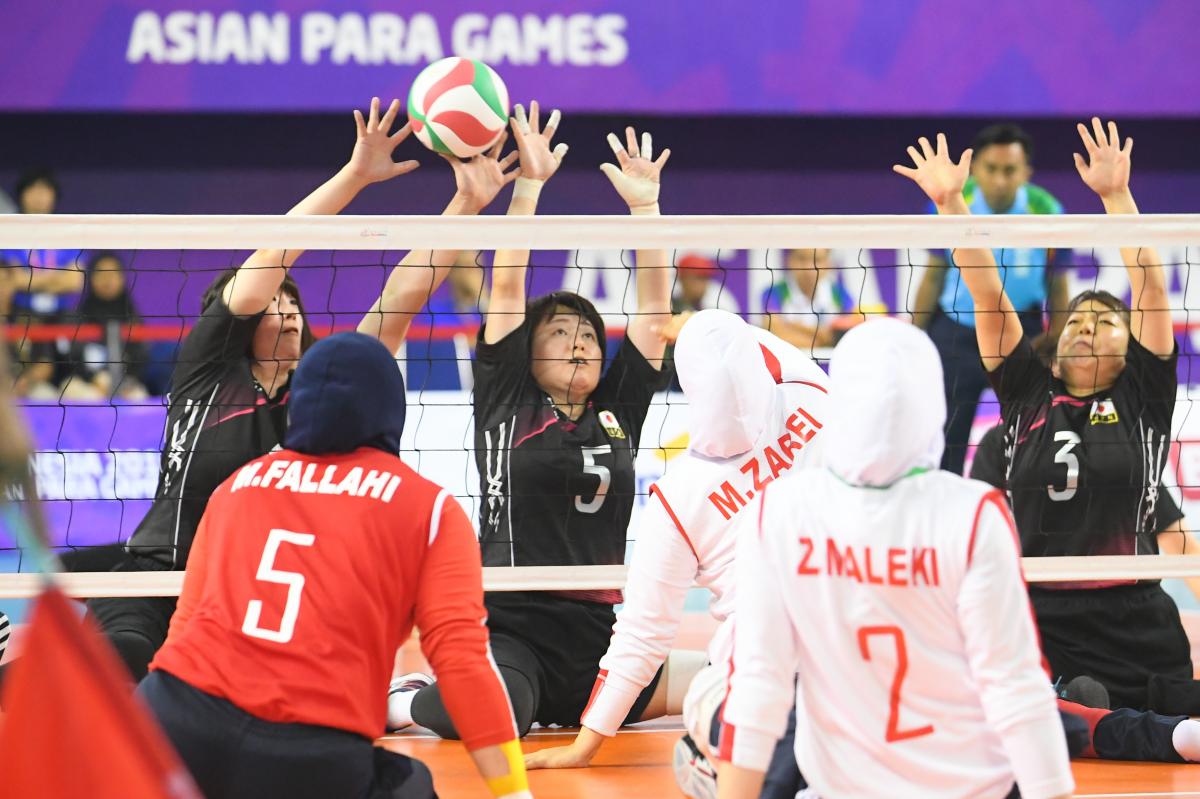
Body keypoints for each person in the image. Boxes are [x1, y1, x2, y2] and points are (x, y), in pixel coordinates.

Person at [139, 332, 533, 799]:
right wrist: (513, 792)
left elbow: (184, 626)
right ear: (391, 405)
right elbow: (462, 660)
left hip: (174, 723)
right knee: (413, 785)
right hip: (308, 757)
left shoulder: (239, 485)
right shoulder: (428, 509)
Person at [385, 106, 675, 738]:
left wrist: (646, 210)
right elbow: (509, 282)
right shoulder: (506, 399)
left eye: (590, 336)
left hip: (604, 635)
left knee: (730, 681)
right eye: (562, 333)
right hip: (514, 626)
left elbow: (655, 309)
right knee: (495, 716)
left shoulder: (616, 410)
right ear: (526, 352)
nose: (579, 344)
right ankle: (406, 701)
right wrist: (531, 185)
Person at [894, 121, 1200, 715]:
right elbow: (986, 291)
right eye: (1078, 321)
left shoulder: (1144, 395)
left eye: (1105, 322)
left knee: (1126, 719)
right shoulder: (1026, 390)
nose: (1086, 327)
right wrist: (951, 203)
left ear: (1131, 343)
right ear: (1055, 341)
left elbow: (1150, 286)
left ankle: (1104, 720)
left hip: (1134, 618)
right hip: (1042, 616)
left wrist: (1116, 198)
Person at [717, 318, 1075, 799]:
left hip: (841, 790)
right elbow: (1016, 687)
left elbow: (759, 686)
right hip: (974, 787)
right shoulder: (974, 512)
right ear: (933, 402)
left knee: (714, 698)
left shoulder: (776, 509)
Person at [522, 309, 829, 799]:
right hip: (859, 654)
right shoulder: (811, 392)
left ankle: (719, 765)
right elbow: (749, 345)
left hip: (757, 679)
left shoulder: (677, 497)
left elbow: (642, 636)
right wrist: (701, 326)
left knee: (706, 714)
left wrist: (585, 743)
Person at [911, 124, 1070, 475]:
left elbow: (1058, 283)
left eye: (1010, 170)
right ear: (974, 169)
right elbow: (934, 275)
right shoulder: (951, 202)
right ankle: (945, 511)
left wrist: (1056, 337)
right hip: (957, 332)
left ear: (1026, 172)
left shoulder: (1048, 211)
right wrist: (915, 336)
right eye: (991, 169)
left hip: (1023, 334)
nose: (1000, 180)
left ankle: (1024, 503)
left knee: (1034, 431)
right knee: (947, 436)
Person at [61, 251, 149, 399]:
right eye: (101, 273)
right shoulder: (77, 317)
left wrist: (125, 383)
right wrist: (94, 379)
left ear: (122, 279)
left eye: (113, 274)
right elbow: (70, 359)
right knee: (80, 393)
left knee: (139, 397)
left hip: (125, 384)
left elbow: (140, 359)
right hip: (85, 383)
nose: (107, 280)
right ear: (91, 279)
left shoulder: (132, 319)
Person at [759, 248, 856, 351]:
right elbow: (774, 334)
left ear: (828, 264)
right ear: (789, 261)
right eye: (802, 259)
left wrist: (792, 326)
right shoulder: (773, 293)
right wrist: (824, 338)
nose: (809, 267)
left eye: (817, 260)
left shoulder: (840, 294)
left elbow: (849, 337)